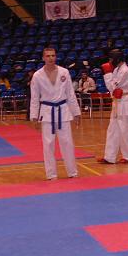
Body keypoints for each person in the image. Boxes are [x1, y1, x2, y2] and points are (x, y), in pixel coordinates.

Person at [30, 47, 81, 180]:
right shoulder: (37, 75)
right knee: (48, 145)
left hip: (63, 110)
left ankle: (72, 172)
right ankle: (51, 174)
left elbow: (70, 94)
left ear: (56, 57)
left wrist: (76, 112)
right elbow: (34, 97)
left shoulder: (64, 72)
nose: (51, 58)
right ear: (43, 58)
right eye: (48, 56)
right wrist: (34, 116)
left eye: (53, 55)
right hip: (47, 112)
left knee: (67, 143)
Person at [98, 49, 128, 164]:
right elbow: (113, 88)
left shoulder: (125, 70)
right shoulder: (117, 69)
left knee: (124, 130)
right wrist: (109, 75)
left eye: (111, 59)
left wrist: (107, 74)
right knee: (112, 129)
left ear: (117, 59)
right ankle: (109, 157)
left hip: (125, 102)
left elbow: (112, 87)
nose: (110, 61)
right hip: (117, 102)